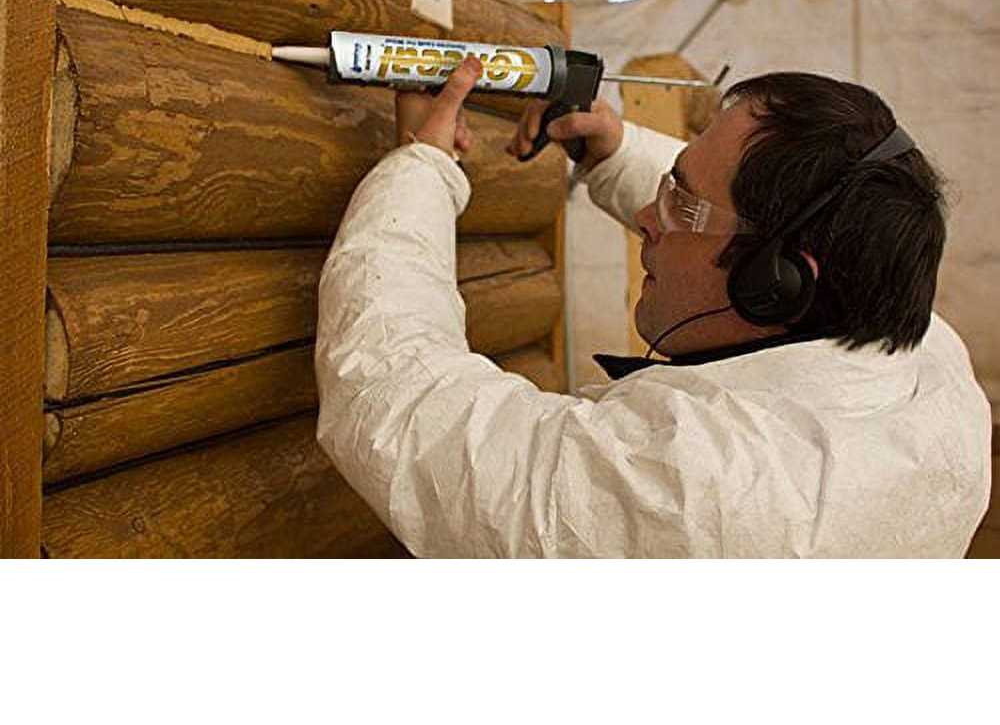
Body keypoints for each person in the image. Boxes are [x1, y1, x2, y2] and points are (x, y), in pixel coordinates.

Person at [314, 55, 991, 557]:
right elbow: (742, 219)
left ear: (775, 283)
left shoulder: (693, 492)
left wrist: (422, 168)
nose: (647, 217)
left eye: (678, 201)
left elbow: (406, 407)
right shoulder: (929, 361)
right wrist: (617, 153)